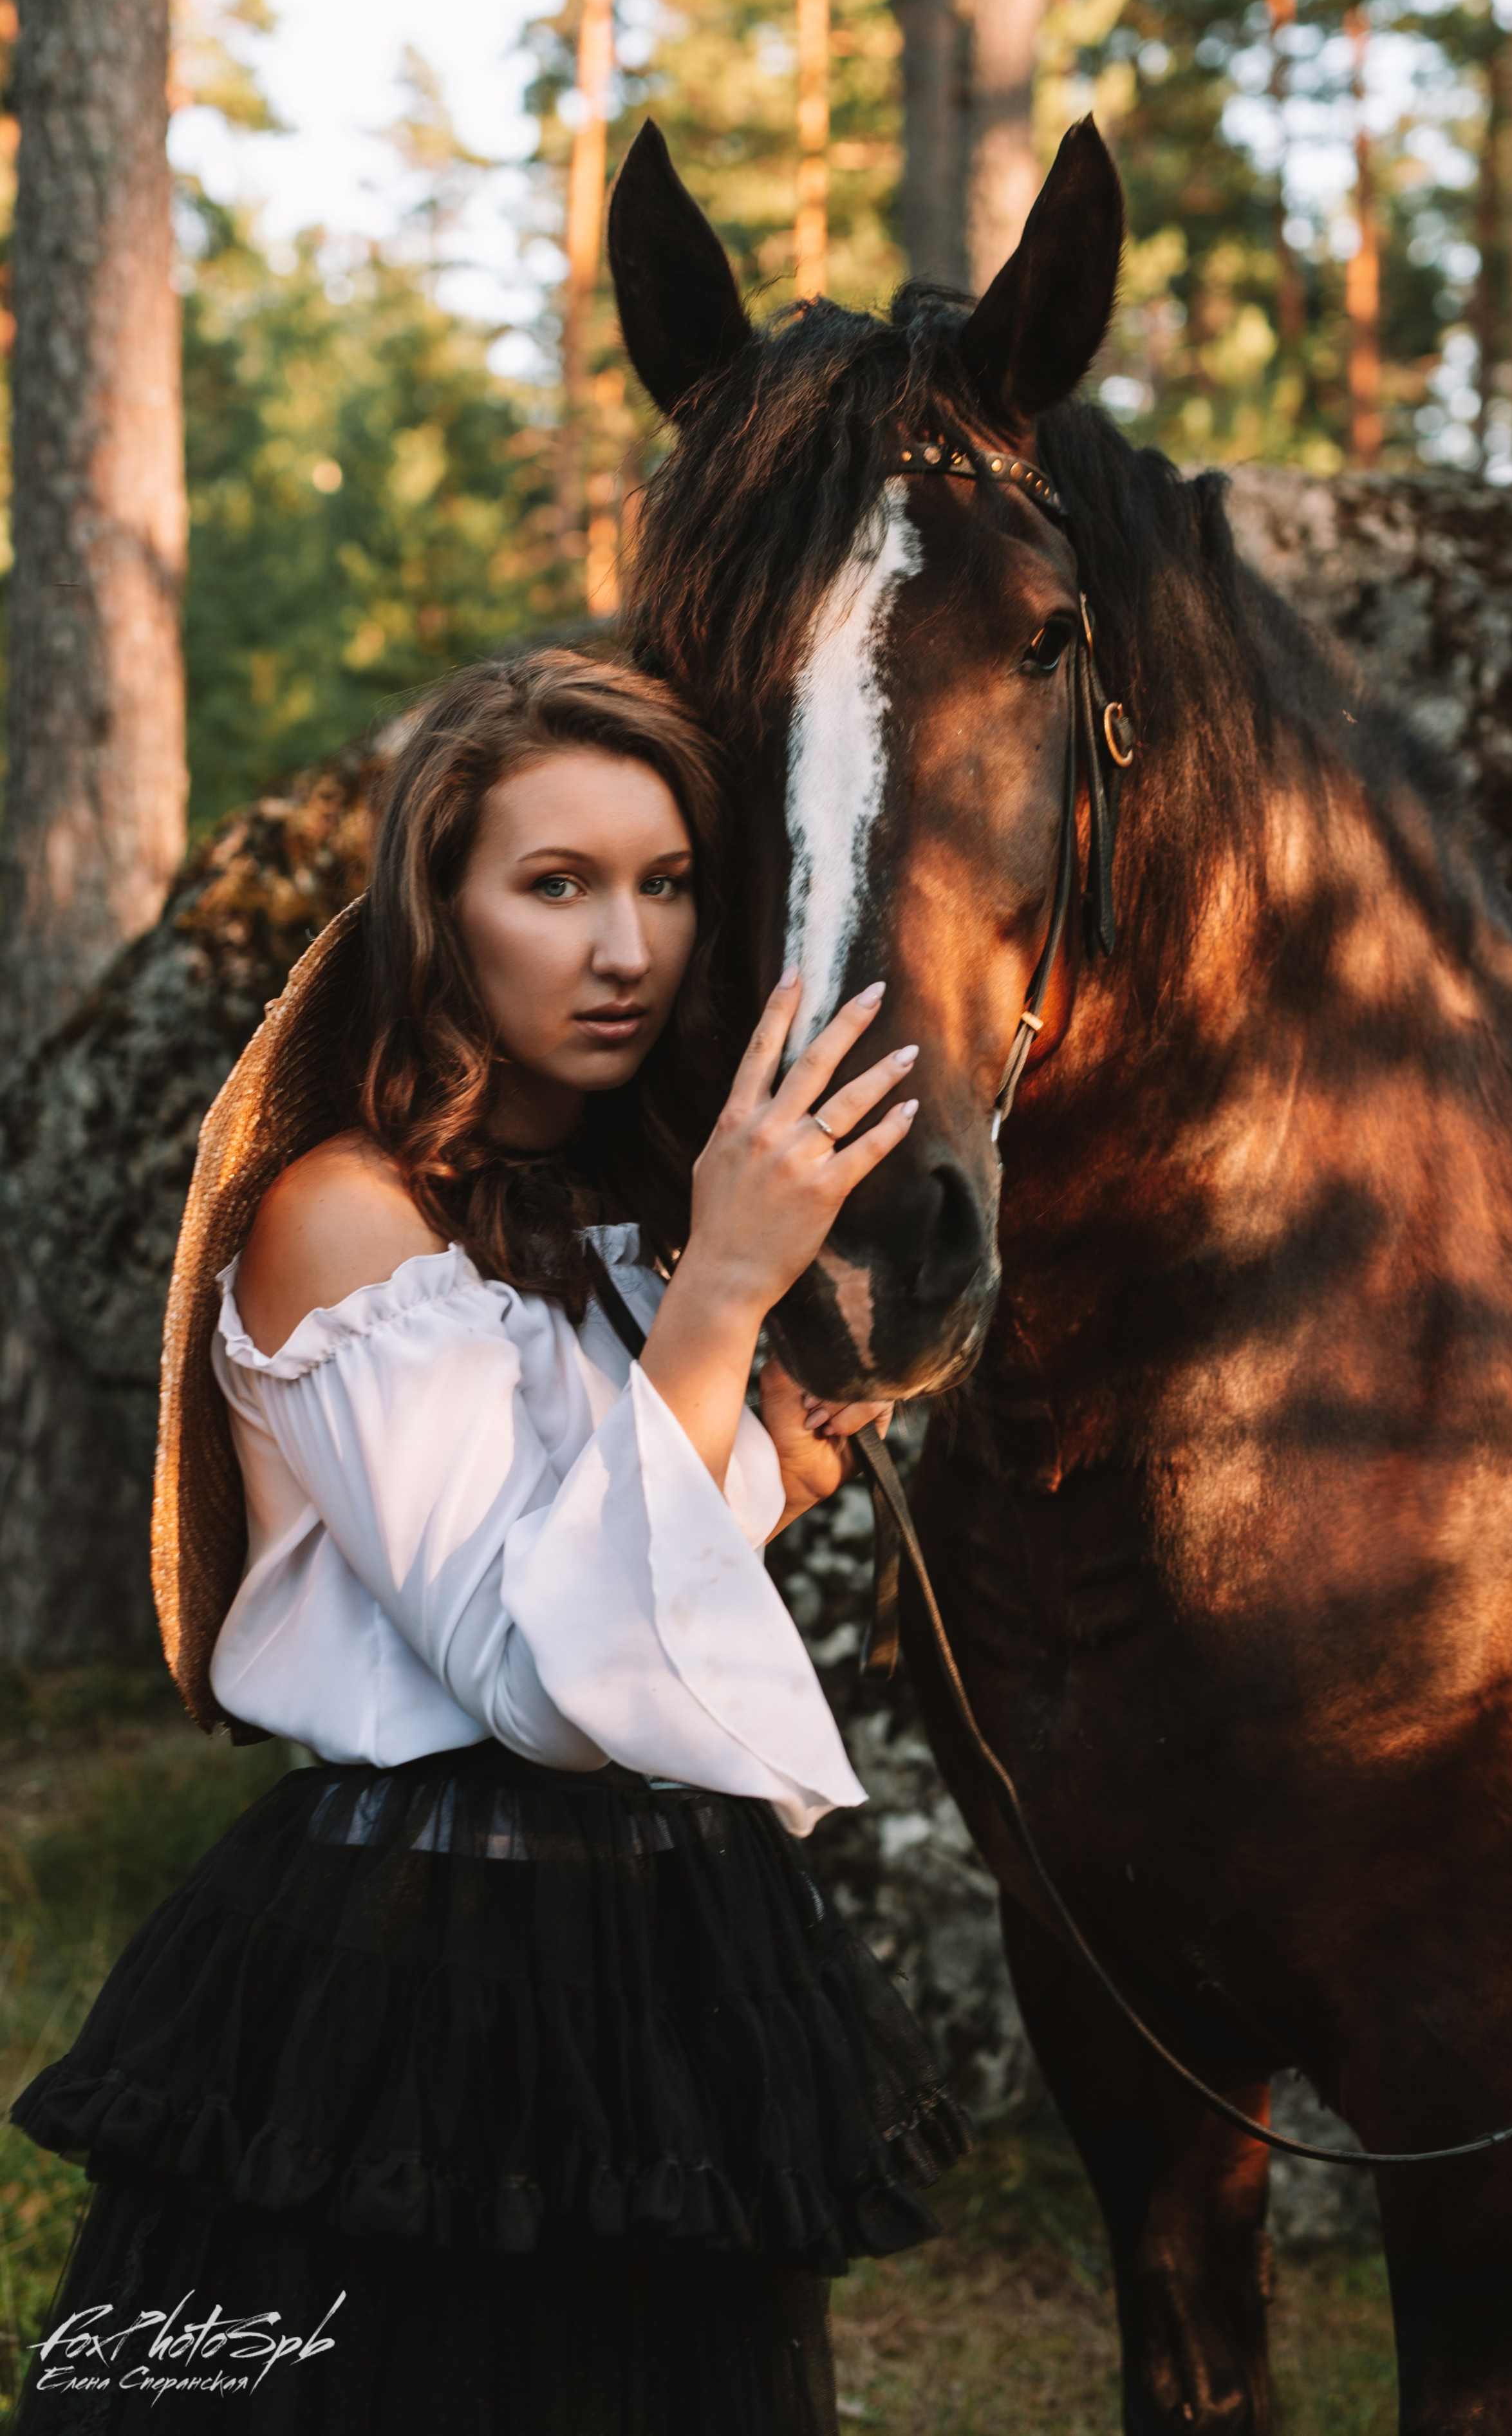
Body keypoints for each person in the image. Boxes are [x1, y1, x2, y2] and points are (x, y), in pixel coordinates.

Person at [9, 648, 970, 2435]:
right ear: (440, 910)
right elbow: (543, 1683)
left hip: (678, 1948)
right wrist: (728, 1308)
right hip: (407, 1961)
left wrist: (758, 1427)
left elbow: (636, 1559)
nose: (628, 949)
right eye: (557, 885)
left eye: (666, 883)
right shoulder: (343, 1223)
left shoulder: (641, 1214)